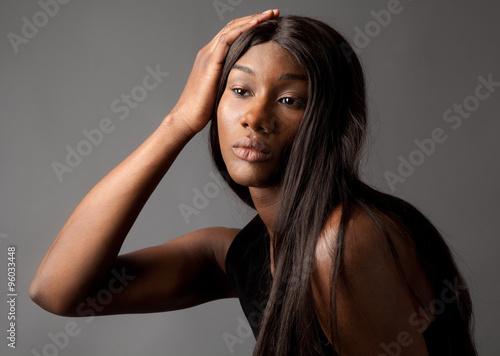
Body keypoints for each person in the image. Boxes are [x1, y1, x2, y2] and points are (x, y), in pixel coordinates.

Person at [30, 9, 477, 355]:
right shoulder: (244, 253)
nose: (255, 118)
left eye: (289, 100)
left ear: (331, 121)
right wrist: (179, 122)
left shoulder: (341, 242)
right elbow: (58, 291)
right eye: (240, 91)